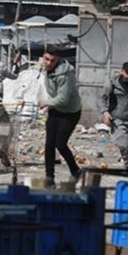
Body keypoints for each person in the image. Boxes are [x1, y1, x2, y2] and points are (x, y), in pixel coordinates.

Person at [39, 47, 82, 188]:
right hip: (55, 109)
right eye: (46, 59)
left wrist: (47, 103)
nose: (49, 63)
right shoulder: (46, 71)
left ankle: (75, 170)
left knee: (60, 144)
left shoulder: (65, 74)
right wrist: (49, 105)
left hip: (70, 112)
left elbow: (63, 99)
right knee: (49, 144)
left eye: (52, 60)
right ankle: (49, 177)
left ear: (57, 60)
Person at [100, 61, 128, 171]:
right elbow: (102, 98)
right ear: (122, 71)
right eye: (126, 71)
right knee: (124, 144)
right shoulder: (112, 83)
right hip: (117, 119)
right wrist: (105, 113)